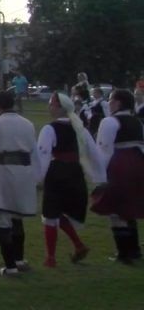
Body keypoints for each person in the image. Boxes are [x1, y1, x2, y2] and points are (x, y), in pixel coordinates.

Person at [0, 90, 41, 277]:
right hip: (25, 172)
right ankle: (19, 259)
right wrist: (38, 176)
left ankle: (10, 266)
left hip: (4, 170)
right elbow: (34, 152)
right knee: (17, 216)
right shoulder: (27, 124)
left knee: (2, 217)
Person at [39, 92, 102, 267]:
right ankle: (78, 245)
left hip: (57, 172)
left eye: (51, 104)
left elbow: (42, 155)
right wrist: (100, 177)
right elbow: (94, 153)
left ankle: (51, 258)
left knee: (51, 213)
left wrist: (38, 178)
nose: (49, 107)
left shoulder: (50, 129)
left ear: (59, 108)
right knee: (58, 213)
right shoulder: (80, 128)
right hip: (75, 172)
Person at [90, 88, 144, 264]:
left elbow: (104, 150)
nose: (109, 102)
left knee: (116, 210)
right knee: (129, 207)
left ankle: (123, 253)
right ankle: (134, 250)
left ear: (118, 102)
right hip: (137, 164)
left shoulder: (109, 121)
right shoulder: (138, 122)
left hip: (119, 165)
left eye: (112, 99)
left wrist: (99, 176)